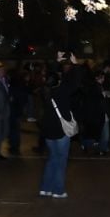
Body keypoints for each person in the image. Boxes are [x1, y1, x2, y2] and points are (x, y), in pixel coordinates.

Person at [37, 69, 75, 199]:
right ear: (58, 82)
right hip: (61, 131)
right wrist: (74, 65)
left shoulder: (44, 92)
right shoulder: (62, 92)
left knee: (52, 159)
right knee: (60, 161)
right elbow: (73, 81)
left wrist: (56, 65)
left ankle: (45, 188)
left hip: (48, 131)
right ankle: (58, 190)